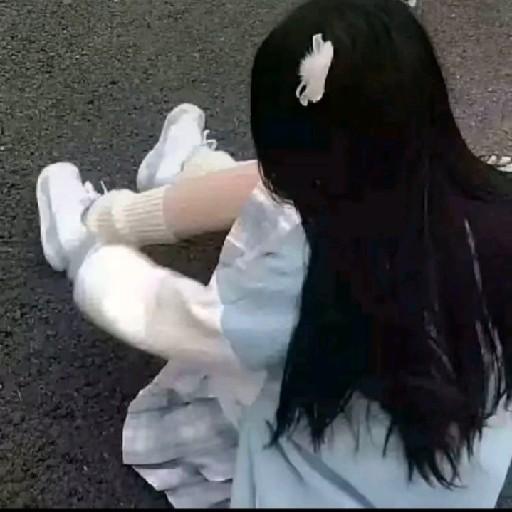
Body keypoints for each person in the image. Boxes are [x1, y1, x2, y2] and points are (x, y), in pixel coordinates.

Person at [36, 0, 512, 507]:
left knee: (274, 219)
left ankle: (103, 219)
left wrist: (95, 262)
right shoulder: (498, 207)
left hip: (329, 476)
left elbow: (186, 320)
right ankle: (189, 175)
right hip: (453, 475)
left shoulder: (315, 269)